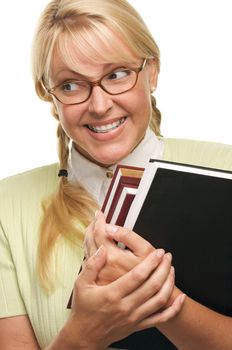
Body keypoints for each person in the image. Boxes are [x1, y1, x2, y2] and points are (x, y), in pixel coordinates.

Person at [0, 0, 232, 349]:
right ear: (50, 96)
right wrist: (85, 330)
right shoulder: (6, 207)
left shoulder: (225, 169)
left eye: (116, 75)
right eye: (71, 85)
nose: (99, 105)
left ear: (151, 72)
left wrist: (160, 300)